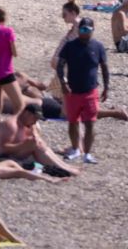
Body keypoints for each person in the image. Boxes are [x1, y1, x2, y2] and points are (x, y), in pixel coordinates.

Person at [54, 18, 109, 164]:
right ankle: (75, 149)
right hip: (72, 91)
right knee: (73, 122)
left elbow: (104, 67)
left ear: (93, 30)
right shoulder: (70, 46)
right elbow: (60, 65)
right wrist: (63, 83)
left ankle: (87, 153)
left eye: (87, 29)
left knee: (90, 123)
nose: (84, 32)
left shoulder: (98, 46)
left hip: (91, 90)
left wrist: (106, 87)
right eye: (82, 29)